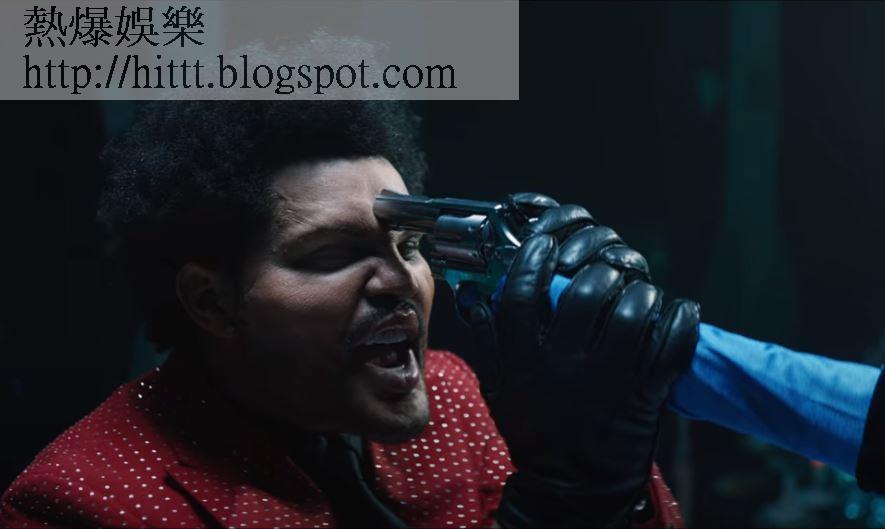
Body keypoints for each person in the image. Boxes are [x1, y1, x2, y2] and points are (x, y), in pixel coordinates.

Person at [0, 101, 700, 528]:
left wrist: (608, 485)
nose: (400, 280)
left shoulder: (456, 395)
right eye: (333, 255)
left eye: (408, 245)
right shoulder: (85, 502)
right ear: (211, 301)